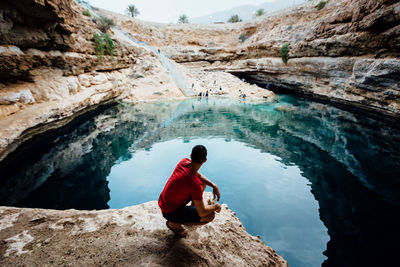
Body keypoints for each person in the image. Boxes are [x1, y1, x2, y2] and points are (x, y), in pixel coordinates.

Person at [158, 145, 221, 237]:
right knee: (210, 216)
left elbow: (198, 176)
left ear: (191, 156)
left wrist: (213, 185)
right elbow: (202, 212)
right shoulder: (195, 184)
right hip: (170, 212)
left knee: (203, 183)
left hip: (165, 203)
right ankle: (174, 224)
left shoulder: (184, 162)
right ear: (204, 160)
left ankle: (190, 211)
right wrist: (216, 206)